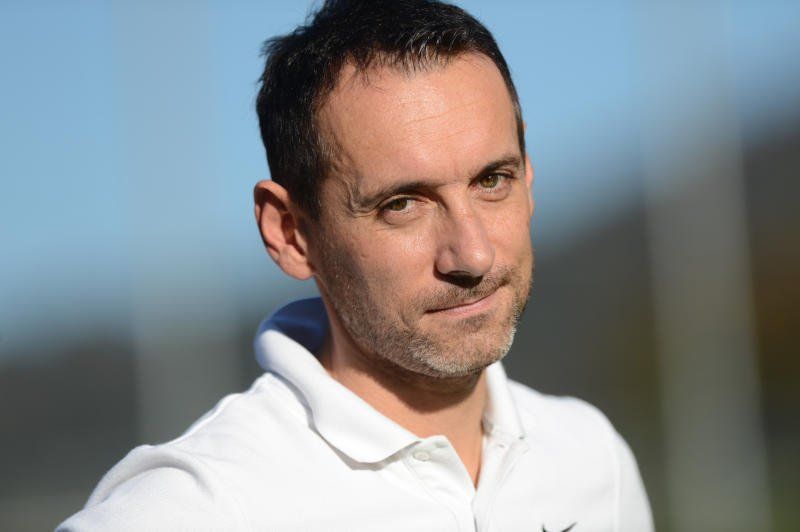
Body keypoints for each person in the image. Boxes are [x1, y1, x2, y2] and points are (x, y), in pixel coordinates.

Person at [59, 1, 653, 530]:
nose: (472, 255)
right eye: (402, 204)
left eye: (492, 180)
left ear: (527, 173)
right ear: (291, 233)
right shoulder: (197, 509)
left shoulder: (591, 460)